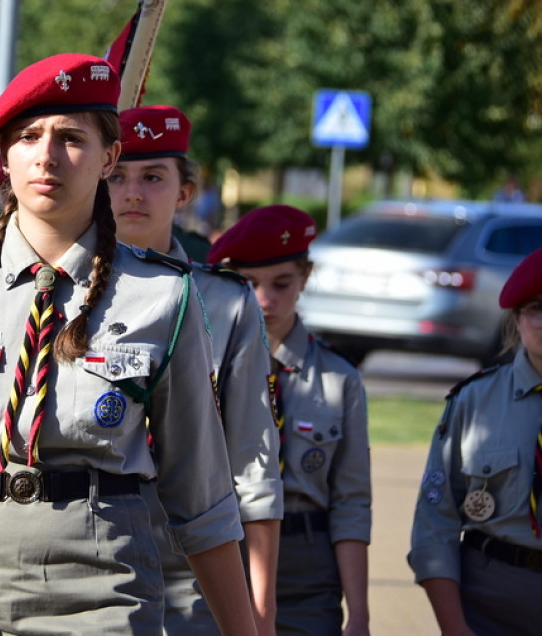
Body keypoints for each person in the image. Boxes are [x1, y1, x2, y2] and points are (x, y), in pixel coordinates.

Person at [0, 54, 257, 636]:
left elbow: (202, 493)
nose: (47, 155)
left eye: (71, 137)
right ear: (4, 159)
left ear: (109, 159)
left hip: (104, 590)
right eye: (28, 136)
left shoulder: (163, 295)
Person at [107, 105, 283, 635]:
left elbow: (254, 462)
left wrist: (261, 607)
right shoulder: (61, 293)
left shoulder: (225, 303)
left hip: (196, 563)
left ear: (185, 192)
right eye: (117, 176)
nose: (133, 192)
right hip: (96, 550)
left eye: (153, 177)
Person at [207, 205, 372, 636]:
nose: (265, 300)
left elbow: (351, 504)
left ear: (306, 278)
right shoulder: (205, 369)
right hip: (222, 555)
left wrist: (360, 614)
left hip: (307, 572)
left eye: (281, 284)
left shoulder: (339, 378)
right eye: (250, 284)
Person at [409, 247, 542, 635]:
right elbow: (435, 523)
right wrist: (454, 627)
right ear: (516, 318)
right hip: (489, 606)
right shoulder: (474, 401)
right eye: (537, 307)